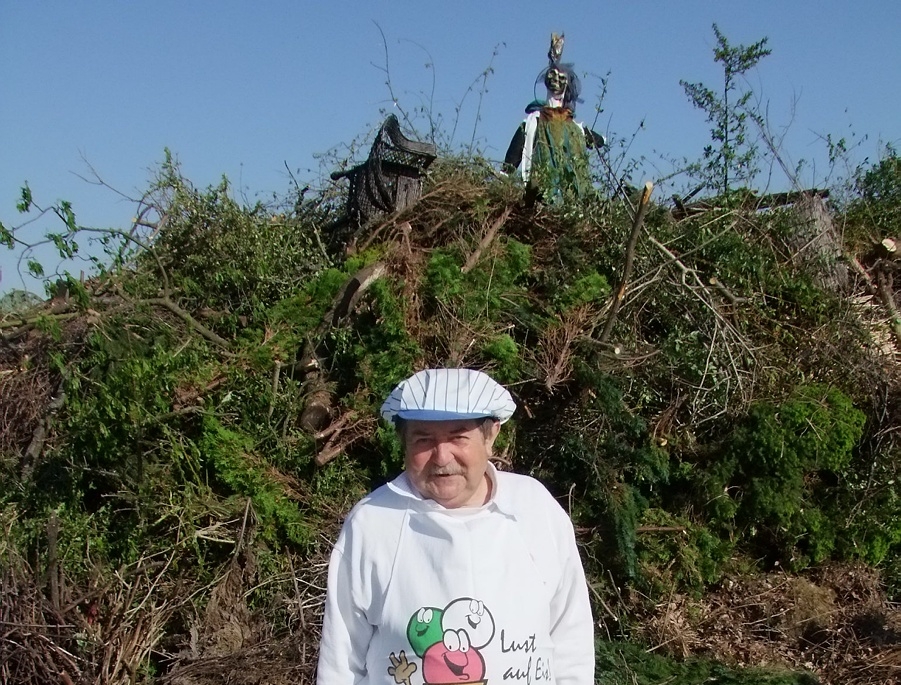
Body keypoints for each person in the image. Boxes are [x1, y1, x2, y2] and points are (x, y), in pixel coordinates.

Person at [317, 368, 595, 685]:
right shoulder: (374, 521)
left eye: (458, 437)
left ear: (490, 436)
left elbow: (571, 641)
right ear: (404, 443)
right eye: (424, 439)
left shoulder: (534, 508)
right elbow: (341, 662)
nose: (441, 456)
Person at [503, 33, 605, 202]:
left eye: (561, 78)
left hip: (570, 196)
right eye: (553, 77)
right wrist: (506, 173)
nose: (556, 81)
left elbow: (596, 140)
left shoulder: (574, 128)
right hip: (541, 193)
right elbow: (515, 152)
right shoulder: (534, 122)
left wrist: (601, 139)